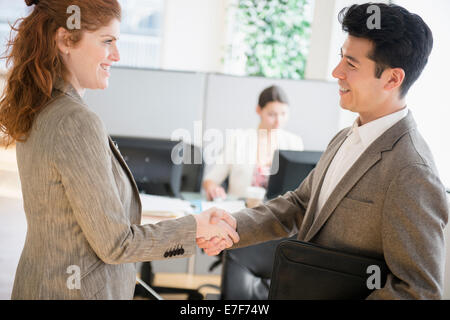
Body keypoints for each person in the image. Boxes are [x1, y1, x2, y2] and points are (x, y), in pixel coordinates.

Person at [199, 3, 449, 299]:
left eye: (351, 65)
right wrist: (233, 225)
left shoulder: (412, 171)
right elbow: (299, 205)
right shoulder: (345, 137)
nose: (336, 71)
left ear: (393, 79)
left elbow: (418, 291)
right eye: (341, 57)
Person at [0, 0, 238, 300]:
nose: (117, 54)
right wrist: (194, 228)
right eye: (107, 41)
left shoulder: (41, 108)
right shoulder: (75, 121)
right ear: (64, 40)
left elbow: (73, 220)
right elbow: (115, 244)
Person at [202, 85, 304, 201]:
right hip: (242, 211)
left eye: (283, 114)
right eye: (272, 114)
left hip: (281, 213)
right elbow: (210, 180)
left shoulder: (294, 142)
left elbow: (301, 188)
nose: (278, 121)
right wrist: (213, 189)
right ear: (258, 110)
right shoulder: (238, 139)